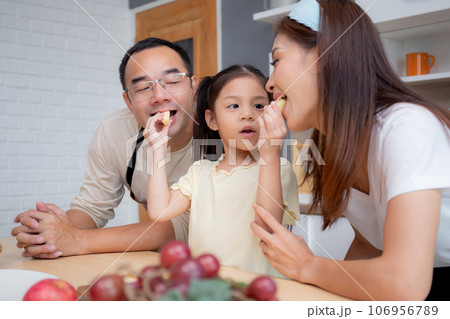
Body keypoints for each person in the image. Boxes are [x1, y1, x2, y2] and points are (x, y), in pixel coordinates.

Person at [250, 0, 450, 300]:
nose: (269, 84)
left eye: (276, 61)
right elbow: (367, 245)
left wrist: (307, 266)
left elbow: (405, 284)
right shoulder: (333, 142)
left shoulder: (406, 127)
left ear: (326, 56)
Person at [11, 38, 199, 258]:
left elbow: (186, 225)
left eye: (173, 80)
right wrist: (48, 230)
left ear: (194, 86)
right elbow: (92, 207)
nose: (159, 96)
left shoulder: (221, 129)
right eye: (142, 88)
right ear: (128, 101)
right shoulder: (115, 132)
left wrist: (79, 241)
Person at [144, 65, 300, 275]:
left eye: (258, 106)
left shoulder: (279, 168)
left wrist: (270, 154)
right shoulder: (200, 172)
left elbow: (266, 229)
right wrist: (158, 148)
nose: (248, 114)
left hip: (256, 295)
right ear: (212, 120)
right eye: (234, 105)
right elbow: (159, 211)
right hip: (208, 290)